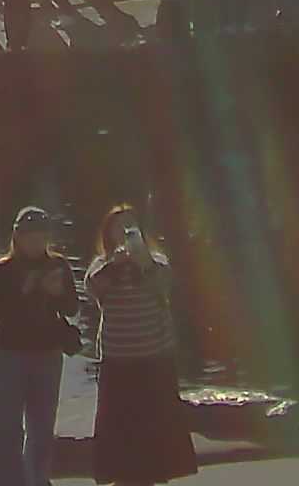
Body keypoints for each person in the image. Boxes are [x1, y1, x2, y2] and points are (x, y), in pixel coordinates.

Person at [86, 206, 194, 486]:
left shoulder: (156, 261)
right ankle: (122, 478)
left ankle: (155, 475)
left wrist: (142, 263)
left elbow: (165, 285)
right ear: (108, 233)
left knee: (155, 428)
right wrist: (115, 264)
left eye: (130, 227)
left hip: (155, 359)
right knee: (120, 428)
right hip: (119, 361)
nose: (124, 232)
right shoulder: (101, 265)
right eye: (118, 227)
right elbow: (93, 288)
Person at [0, 209, 82, 486]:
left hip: (47, 353)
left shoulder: (59, 265)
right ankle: (9, 480)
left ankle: (38, 479)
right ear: (17, 237)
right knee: (7, 426)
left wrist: (56, 293)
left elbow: (72, 308)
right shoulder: (1, 270)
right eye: (29, 235)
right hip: (8, 354)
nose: (36, 241)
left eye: (41, 235)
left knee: (42, 426)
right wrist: (24, 291)